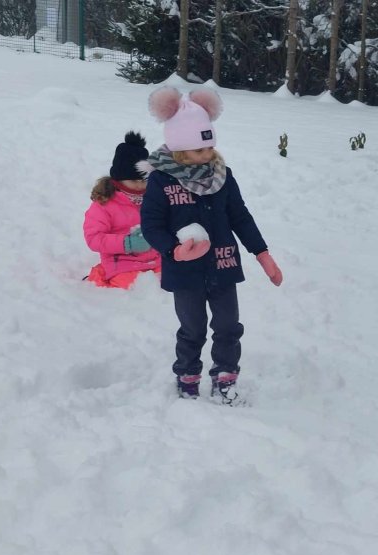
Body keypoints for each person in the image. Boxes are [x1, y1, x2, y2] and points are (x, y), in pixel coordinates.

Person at [139, 86, 283, 404]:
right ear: (179, 150)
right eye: (198, 150)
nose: (207, 155)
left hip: (223, 264)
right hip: (184, 271)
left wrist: (262, 253)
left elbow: (240, 217)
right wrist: (173, 250)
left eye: (209, 147)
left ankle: (225, 377)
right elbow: (151, 225)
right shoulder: (162, 181)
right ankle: (187, 376)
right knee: (193, 328)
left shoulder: (223, 176)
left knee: (228, 326)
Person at [82, 131, 160, 289]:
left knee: (170, 281)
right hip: (122, 262)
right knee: (131, 285)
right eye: (133, 180)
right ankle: (100, 274)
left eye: (143, 180)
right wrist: (127, 243)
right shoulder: (105, 204)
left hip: (156, 260)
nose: (139, 185)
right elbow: (94, 238)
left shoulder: (153, 198)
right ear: (119, 178)